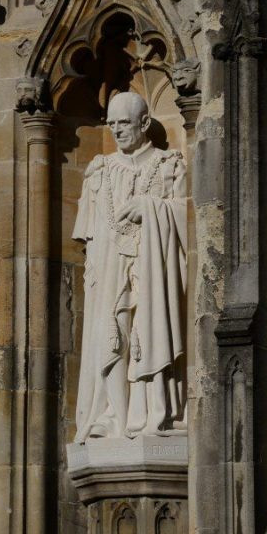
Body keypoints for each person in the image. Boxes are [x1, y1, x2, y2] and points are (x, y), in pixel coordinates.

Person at [73, 90, 187, 442]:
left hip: (153, 273)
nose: (116, 130)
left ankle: (155, 411)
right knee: (111, 338)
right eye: (111, 123)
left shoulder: (170, 165)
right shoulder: (99, 171)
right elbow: (88, 240)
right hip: (109, 271)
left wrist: (152, 209)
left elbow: (192, 218)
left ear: (144, 123)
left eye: (124, 123)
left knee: (148, 332)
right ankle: (115, 418)